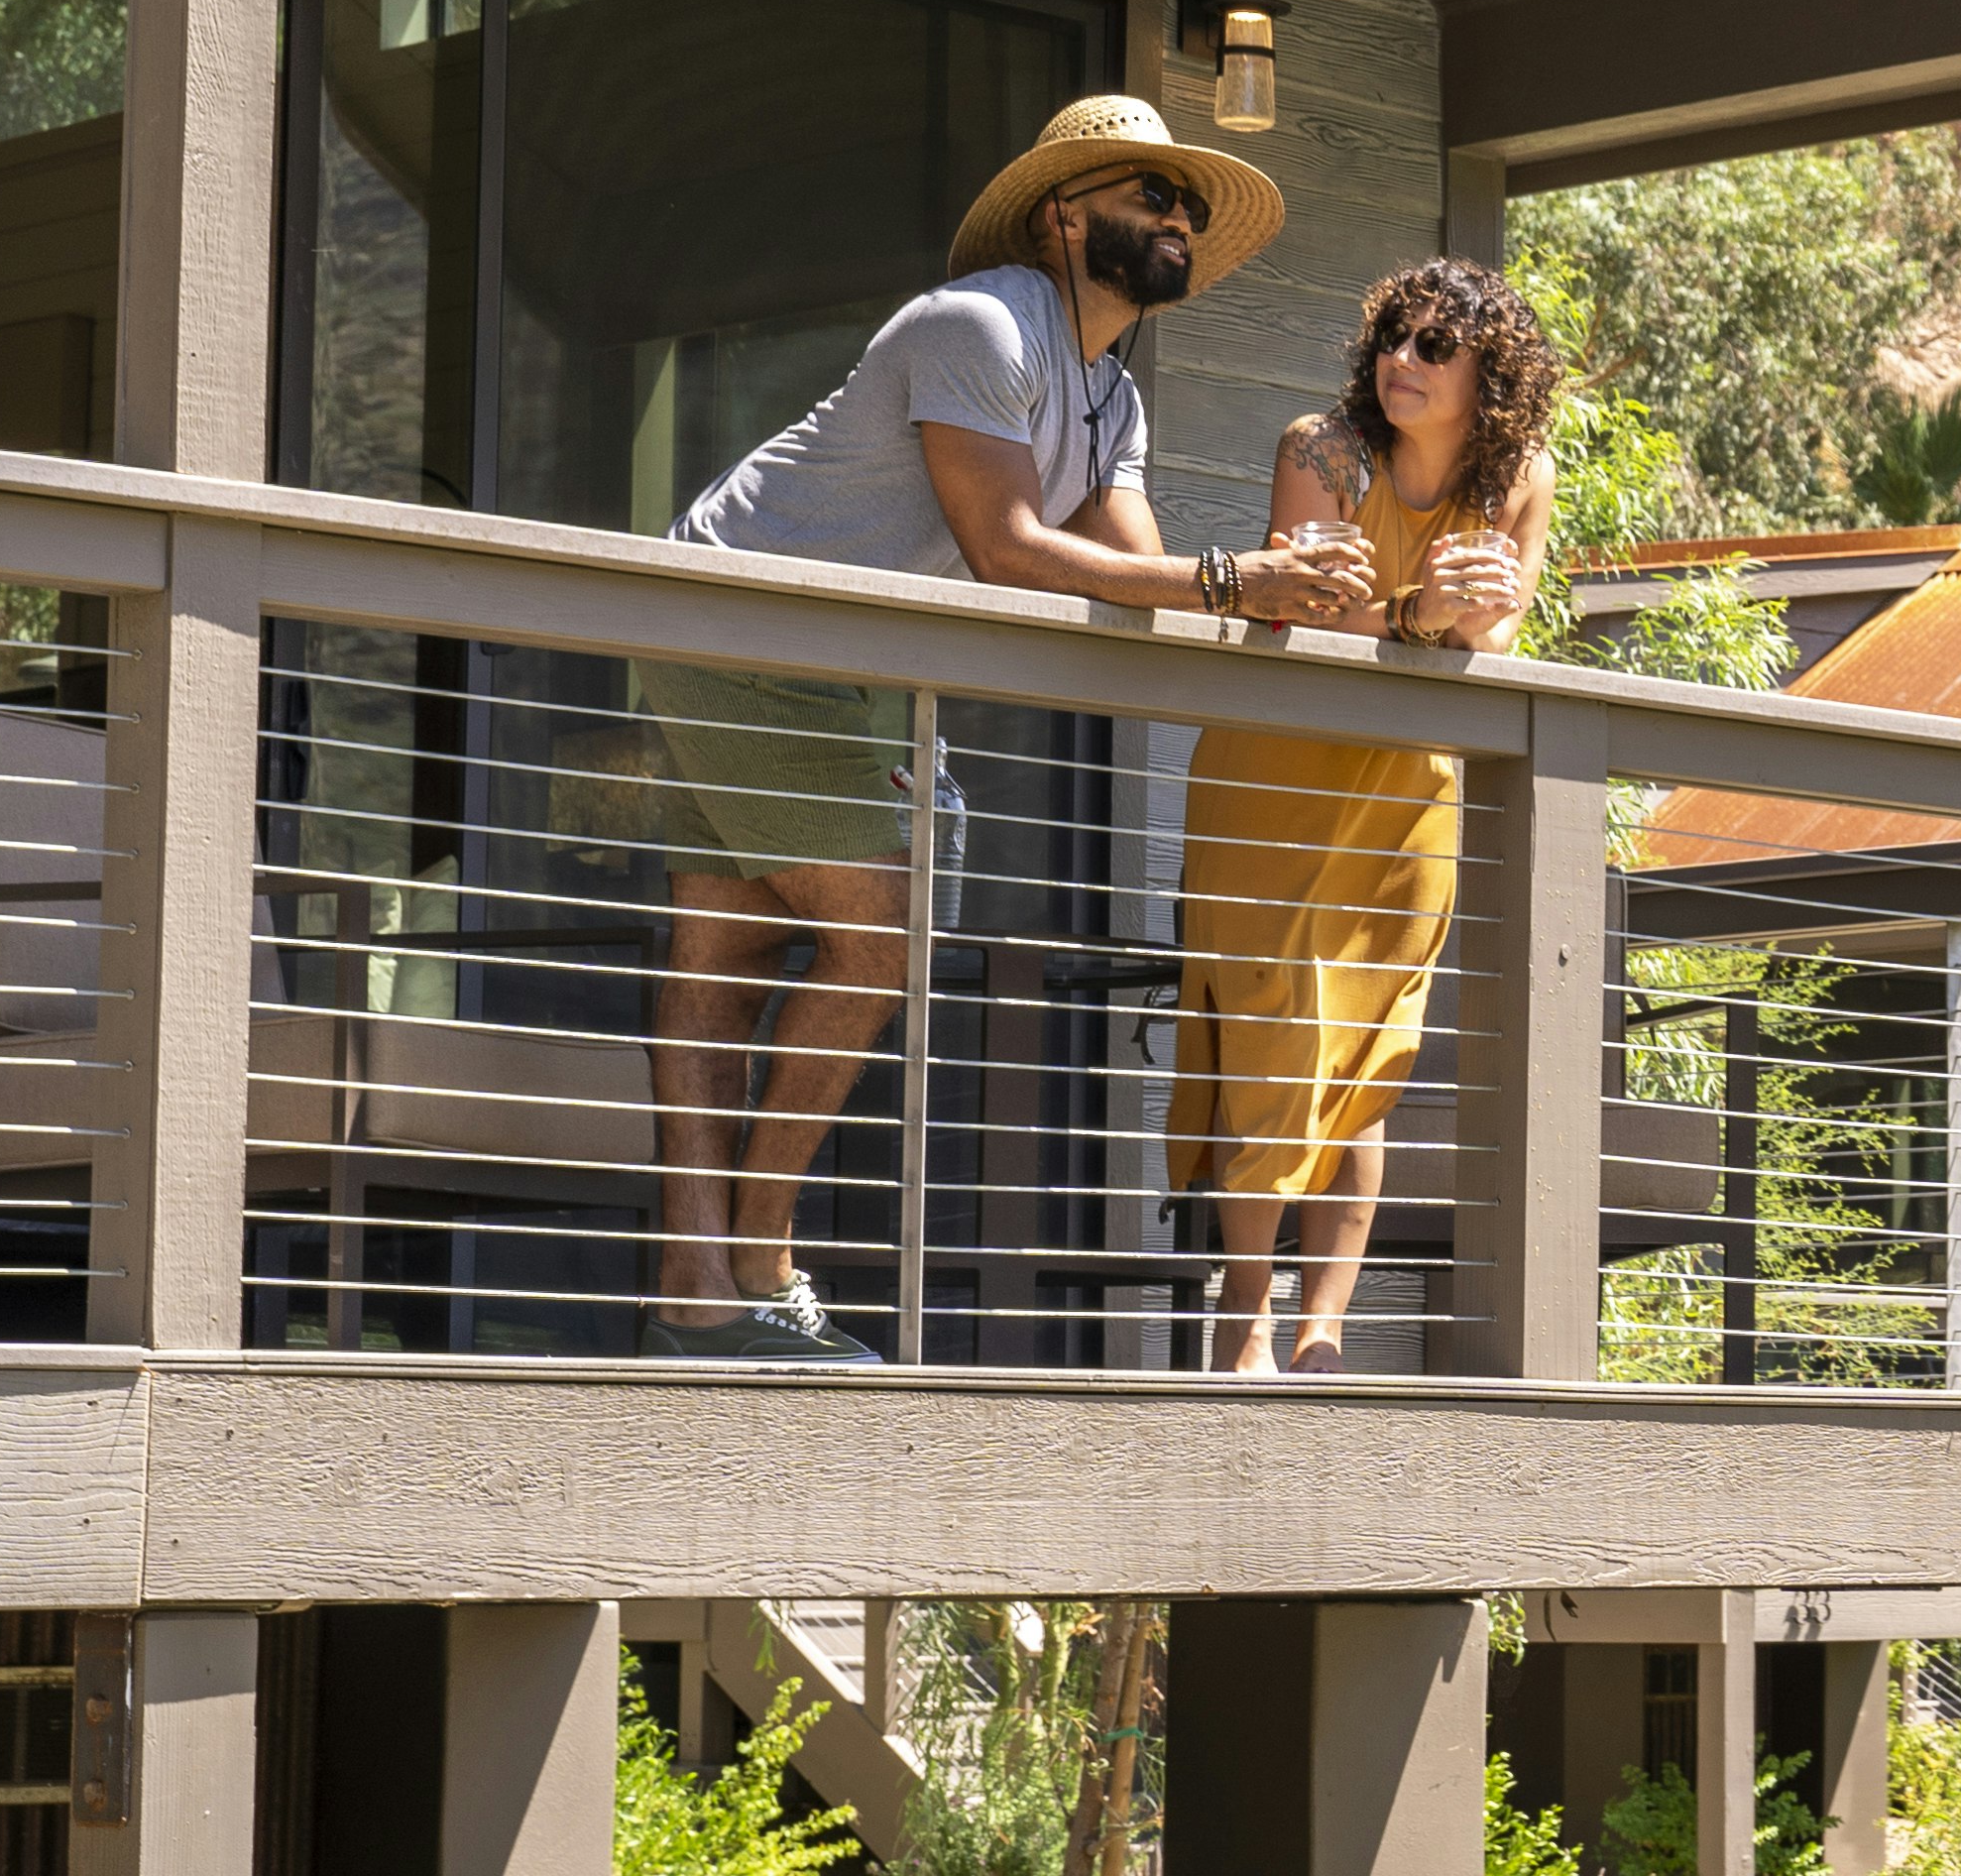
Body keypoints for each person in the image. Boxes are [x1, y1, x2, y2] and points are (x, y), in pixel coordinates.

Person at [631, 92, 1316, 1359]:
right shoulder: (978, 323)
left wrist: (1284, 596)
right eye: (1152, 192)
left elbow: (1139, 579)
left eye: (1190, 202)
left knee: (727, 955)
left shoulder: (1112, 399)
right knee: (881, 931)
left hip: (843, 666)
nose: (1179, 214)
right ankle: (759, 1263)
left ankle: (694, 1297)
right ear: (1065, 217)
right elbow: (1009, 549)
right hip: (736, 622)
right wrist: (1230, 579)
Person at [1171, 258, 1556, 1374]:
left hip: (1407, 795)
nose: (1402, 358)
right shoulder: (1322, 450)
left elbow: (1501, 635)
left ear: (1491, 374)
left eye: (1435, 345)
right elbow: (1308, 614)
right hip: (1273, 781)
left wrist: (1458, 619)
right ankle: (1243, 1327)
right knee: (1276, 1048)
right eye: (1393, 335)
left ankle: (1323, 1334)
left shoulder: (1520, 473)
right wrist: (1425, 613)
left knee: (1368, 1064)